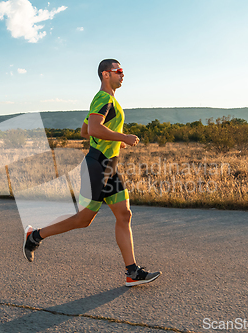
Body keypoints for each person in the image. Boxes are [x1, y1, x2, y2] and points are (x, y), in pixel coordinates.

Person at [23, 59, 161, 287]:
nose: (123, 75)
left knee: (124, 215)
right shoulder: (103, 98)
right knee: (83, 219)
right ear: (106, 74)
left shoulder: (108, 100)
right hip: (97, 166)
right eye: (119, 71)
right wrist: (122, 137)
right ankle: (35, 236)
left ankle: (132, 272)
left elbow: (85, 130)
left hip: (109, 166)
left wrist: (115, 140)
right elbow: (94, 129)